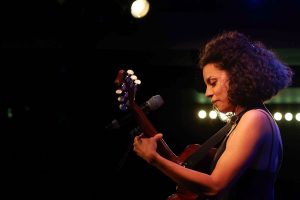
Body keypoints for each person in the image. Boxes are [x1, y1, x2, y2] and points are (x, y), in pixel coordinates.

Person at [132, 31, 294, 200]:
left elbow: (215, 186)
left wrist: (154, 158)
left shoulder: (255, 118)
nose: (208, 93)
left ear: (237, 75)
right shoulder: (248, 119)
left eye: (213, 82)